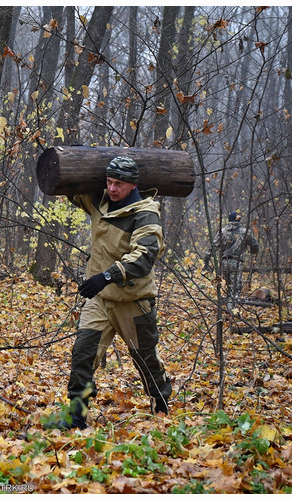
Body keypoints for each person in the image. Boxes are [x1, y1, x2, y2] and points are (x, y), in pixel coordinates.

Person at [46, 156, 172, 430]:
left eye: (119, 184)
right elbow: (73, 189)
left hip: (133, 301)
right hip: (101, 301)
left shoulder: (145, 213)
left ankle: (161, 408)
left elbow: (145, 256)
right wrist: (65, 160)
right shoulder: (99, 202)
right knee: (83, 354)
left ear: (133, 185)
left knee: (146, 359)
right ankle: (76, 417)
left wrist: (106, 276)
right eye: (109, 182)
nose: (112, 189)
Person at [207, 211, 259, 303]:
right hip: (236, 262)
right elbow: (255, 245)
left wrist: (207, 258)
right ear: (239, 220)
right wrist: (253, 251)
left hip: (225, 262)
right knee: (236, 287)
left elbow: (213, 246)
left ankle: (229, 304)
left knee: (228, 285)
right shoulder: (245, 232)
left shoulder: (222, 231)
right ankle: (232, 307)